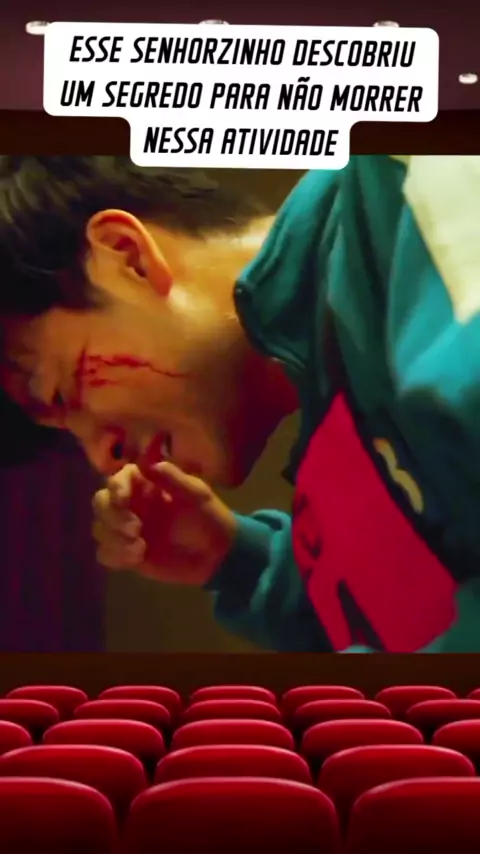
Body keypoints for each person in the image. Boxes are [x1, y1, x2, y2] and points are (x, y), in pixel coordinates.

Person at [0, 154, 479, 653]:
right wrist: (240, 560)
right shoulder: (332, 409)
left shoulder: (417, 188)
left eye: (61, 394)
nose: (103, 459)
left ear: (127, 257)